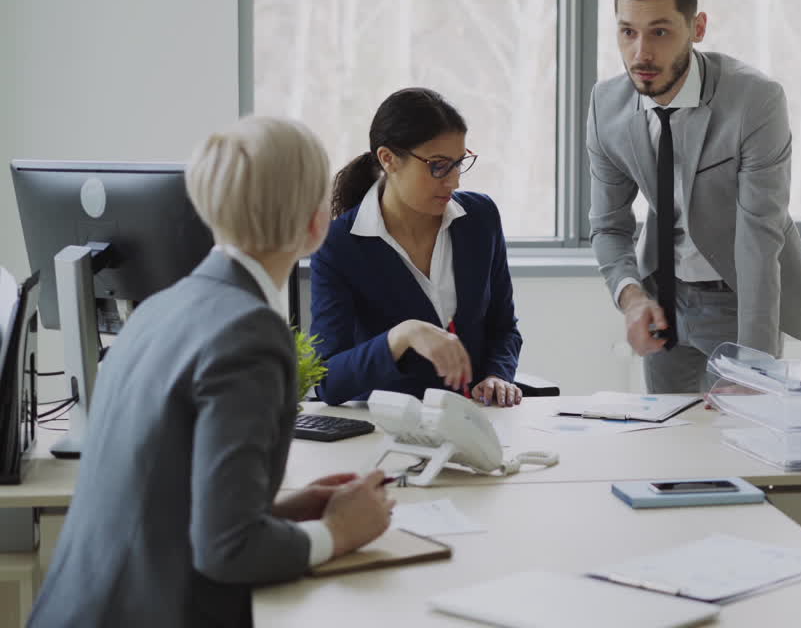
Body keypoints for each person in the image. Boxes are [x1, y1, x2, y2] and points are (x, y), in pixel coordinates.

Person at [28, 117, 394, 628]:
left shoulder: (157, 309)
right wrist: (338, 534)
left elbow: (170, 507)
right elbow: (228, 551)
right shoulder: (251, 333)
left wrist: (288, 512)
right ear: (316, 226)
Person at [587, 0, 801, 394]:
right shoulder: (607, 106)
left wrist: (755, 366)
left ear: (697, 28)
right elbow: (608, 225)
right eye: (628, 32)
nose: (641, 53)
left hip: (738, 297)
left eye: (660, 31)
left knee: (743, 439)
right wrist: (632, 297)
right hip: (662, 294)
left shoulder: (755, 101)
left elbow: (759, 235)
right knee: (667, 441)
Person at [310, 87, 522, 407]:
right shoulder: (339, 245)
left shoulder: (480, 219)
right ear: (388, 159)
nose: (453, 182)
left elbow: (503, 328)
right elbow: (328, 379)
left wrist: (497, 375)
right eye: (438, 166)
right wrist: (402, 336)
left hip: (477, 420)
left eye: (458, 163)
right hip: (389, 430)